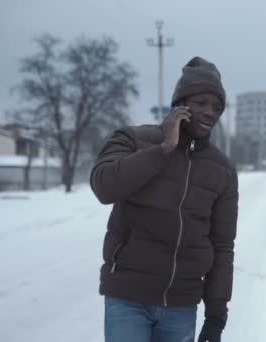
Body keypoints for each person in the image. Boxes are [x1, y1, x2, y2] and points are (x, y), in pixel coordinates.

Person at [90, 56, 238, 342]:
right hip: (127, 299)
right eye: (202, 103)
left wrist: (216, 315)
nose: (210, 112)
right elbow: (103, 187)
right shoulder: (133, 139)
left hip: (182, 306)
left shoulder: (223, 170)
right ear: (180, 103)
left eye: (217, 107)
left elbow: (222, 245)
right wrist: (163, 150)